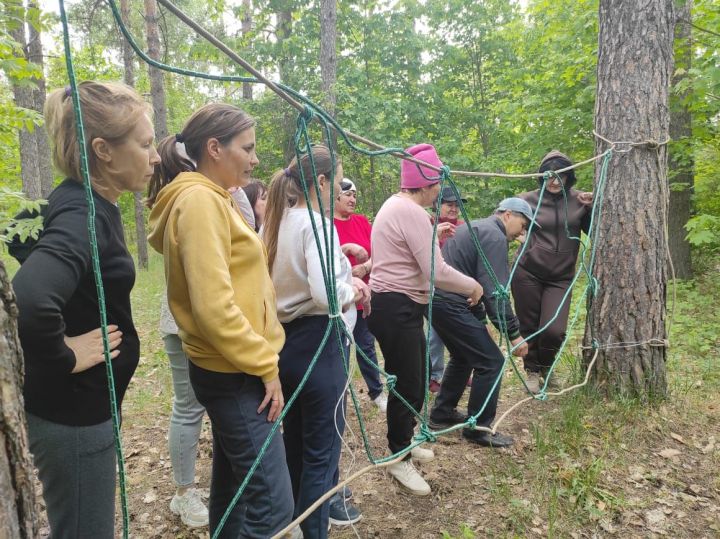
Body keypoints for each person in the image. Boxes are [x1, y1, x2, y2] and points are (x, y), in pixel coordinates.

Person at [9, 81, 160, 538]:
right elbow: (32, 301)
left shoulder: (77, 202)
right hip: (73, 417)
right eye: (146, 144)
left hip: (73, 411)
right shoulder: (83, 213)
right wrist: (67, 354)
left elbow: (19, 236)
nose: (156, 157)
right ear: (103, 151)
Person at [147, 103, 294, 538]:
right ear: (214, 148)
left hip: (234, 365)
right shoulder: (198, 202)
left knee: (235, 488)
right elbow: (213, 306)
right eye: (247, 148)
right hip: (234, 370)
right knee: (272, 502)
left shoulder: (213, 199)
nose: (255, 159)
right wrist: (265, 364)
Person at [264, 145, 369, 537]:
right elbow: (325, 295)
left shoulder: (275, 222)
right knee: (321, 456)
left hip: (284, 346)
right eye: (339, 181)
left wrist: (341, 267)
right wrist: (353, 292)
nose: (341, 188)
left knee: (295, 443)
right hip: (320, 347)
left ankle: (291, 525)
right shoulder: (317, 224)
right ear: (322, 181)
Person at [368, 143, 483, 496]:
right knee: (409, 385)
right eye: (437, 184)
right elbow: (436, 272)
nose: (439, 192)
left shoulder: (397, 205)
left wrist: (433, 236)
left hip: (397, 306)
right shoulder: (412, 212)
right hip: (396, 307)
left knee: (413, 382)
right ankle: (398, 456)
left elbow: (409, 253)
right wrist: (473, 285)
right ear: (428, 183)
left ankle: (406, 441)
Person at [428, 198, 533, 448]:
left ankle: (441, 415)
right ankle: (479, 428)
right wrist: (514, 334)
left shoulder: (477, 227)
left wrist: (481, 320)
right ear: (508, 214)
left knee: (464, 357)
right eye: (523, 224)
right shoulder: (493, 236)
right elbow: (494, 291)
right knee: (491, 362)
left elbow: (473, 279)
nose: (523, 231)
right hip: (451, 304)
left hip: (437, 303)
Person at [512, 150, 593, 392]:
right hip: (527, 272)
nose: (555, 182)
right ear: (541, 176)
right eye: (550, 176)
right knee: (529, 325)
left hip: (561, 277)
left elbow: (597, 230)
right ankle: (532, 371)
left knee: (554, 330)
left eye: (561, 176)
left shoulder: (580, 201)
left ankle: (546, 366)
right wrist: (516, 234)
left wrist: (596, 203)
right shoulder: (526, 200)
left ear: (569, 177)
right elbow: (503, 221)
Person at [333, 178, 388, 412]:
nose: (353, 199)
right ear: (335, 197)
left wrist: (365, 268)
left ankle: (377, 392)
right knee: (339, 348)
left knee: (366, 346)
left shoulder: (363, 222)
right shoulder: (326, 225)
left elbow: (382, 255)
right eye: (348, 194)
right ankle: (339, 393)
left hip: (363, 298)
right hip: (340, 302)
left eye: (355, 195)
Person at [428, 186, 468, 393]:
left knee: (460, 330)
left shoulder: (463, 227)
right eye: (449, 204)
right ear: (437, 205)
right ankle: (435, 374)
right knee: (435, 334)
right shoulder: (428, 223)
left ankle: (460, 369)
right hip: (434, 286)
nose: (453, 209)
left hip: (459, 285)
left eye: (456, 205)